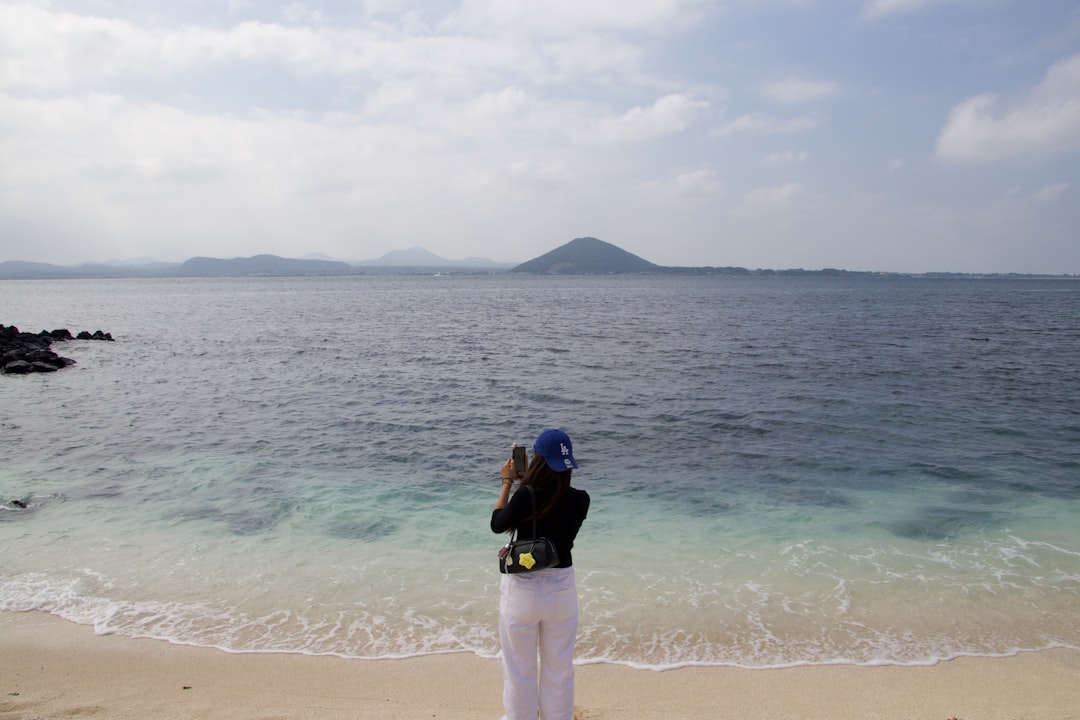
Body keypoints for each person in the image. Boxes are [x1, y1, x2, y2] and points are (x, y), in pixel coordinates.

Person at [490, 428, 590, 720]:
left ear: (537, 461)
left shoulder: (525, 495)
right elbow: (553, 506)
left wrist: (508, 482)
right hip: (561, 591)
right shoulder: (581, 500)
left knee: (519, 669)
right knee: (559, 667)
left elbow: (498, 523)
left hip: (524, 589)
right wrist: (527, 486)